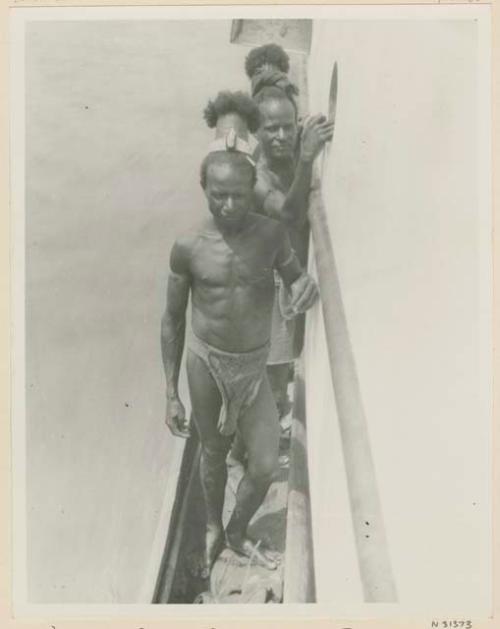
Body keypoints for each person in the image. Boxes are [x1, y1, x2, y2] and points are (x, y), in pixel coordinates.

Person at [161, 92, 319, 579]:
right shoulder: (188, 246)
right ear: (203, 189)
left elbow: (297, 279)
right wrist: (170, 392)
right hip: (206, 361)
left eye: (236, 194)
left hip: (252, 365)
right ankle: (213, 526)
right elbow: (172, 320)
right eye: (217, 195)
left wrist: (305, 288)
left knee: (266, 463)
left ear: (252, 185)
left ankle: (237, 528)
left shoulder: (270, 236)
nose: (228, 205)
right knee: (211, 451)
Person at [247, 43, 334, 419]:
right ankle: (246, 458)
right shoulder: (254, 175)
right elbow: (287, 215)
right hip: (271, 286)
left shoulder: (293, 136)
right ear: (256, 131)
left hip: (294, 276)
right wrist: (308, 156)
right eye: (272, 130)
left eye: (287, 127)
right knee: (271, 382)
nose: (281, 136)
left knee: (288, 368)